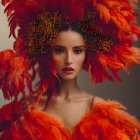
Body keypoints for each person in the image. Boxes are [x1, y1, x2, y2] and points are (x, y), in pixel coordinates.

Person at [0, 0, 140, 139]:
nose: (69, 60)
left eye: (77, 51)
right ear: (47, 52)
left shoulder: (98, 110)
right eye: (59, 50)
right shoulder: (25, 112)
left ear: (87, 54)